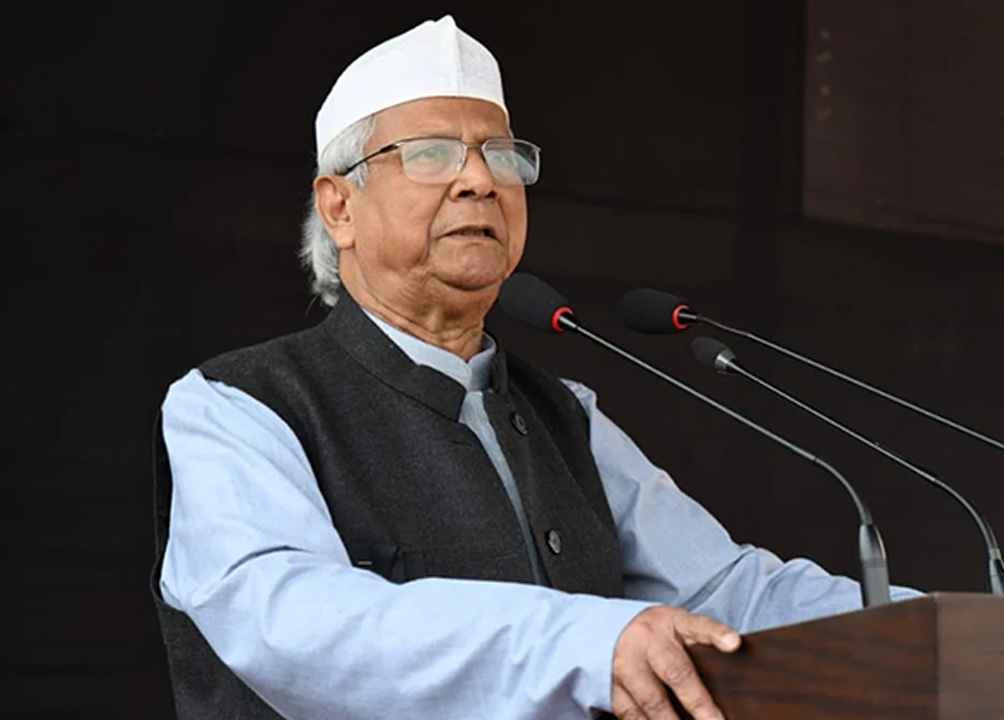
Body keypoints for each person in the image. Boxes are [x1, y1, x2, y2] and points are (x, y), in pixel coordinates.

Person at [152, 15, 918, 720]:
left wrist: (948, 628)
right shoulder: (235, 405)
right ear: (339, 208)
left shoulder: (566, 414)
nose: (479, 180)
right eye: (430, 154)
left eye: (502, 155)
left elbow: (729, 596)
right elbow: (293, 621)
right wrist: (583, 643)